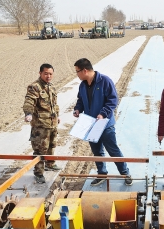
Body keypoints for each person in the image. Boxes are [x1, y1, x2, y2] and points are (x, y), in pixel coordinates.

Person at [73, 58, 132, 186]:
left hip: (104, 124)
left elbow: (112, 100)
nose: (77, 74)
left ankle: (125, 173)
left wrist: (103, 113)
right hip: (90, 124)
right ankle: (102, 174)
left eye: (77, 71)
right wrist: (78, 109)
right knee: (97, 151)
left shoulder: (105, 81)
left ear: (85, 70)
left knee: (113, 150)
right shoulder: (83, 85)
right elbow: (81, 100)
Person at [23, 63, 61, 184]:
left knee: (51, 145)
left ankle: (50, 163)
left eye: (50, 74)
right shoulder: (34, 87)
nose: (48, 76)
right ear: (40, 73)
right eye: (46, 73)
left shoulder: (52, 87)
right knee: (40, 150)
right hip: (40, 125)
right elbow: (29, 101)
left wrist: (57, 116)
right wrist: (28, 114)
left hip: (52, 123)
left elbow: (54, 104)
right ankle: (39, 173)